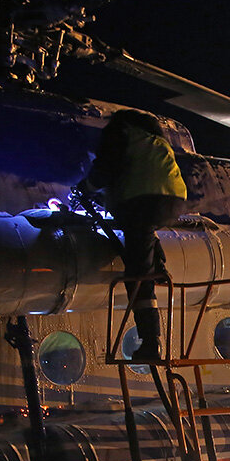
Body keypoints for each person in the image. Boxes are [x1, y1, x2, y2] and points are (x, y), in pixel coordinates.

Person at [83, 109, 188, 360]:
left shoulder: (120, 132)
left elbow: (107, 166)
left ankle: (151, 342)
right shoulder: (151, 140)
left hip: (142, 200)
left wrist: (86, 186)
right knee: (145, 233)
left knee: (137, 275)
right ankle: (159, 263)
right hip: (173, 200)